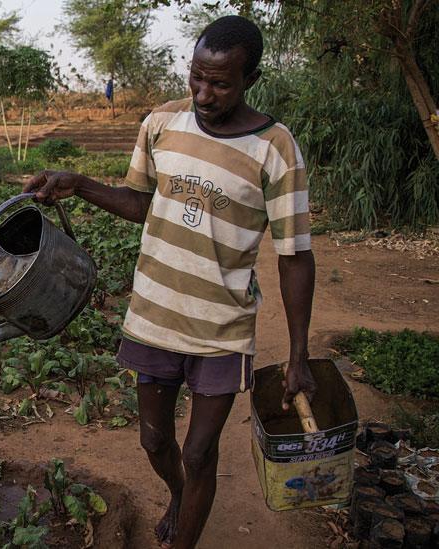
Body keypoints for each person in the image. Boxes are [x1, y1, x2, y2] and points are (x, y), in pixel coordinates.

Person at [23, 16, 316, 549]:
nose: (204, 94)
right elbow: (141, 203)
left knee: (200, 450)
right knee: (154, 440)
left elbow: (295, 257)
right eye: (196, 78)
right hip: (154, 314)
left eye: (221, 83)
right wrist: (81, 184)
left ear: (250, 78)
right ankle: (179, 493)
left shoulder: (275, 148)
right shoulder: (161, 123)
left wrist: (298, 353)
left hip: (221, 329)